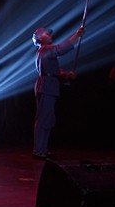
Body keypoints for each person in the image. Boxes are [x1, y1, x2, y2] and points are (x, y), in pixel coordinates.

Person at [31, 25, 84, 160]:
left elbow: (54, 71)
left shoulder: (45, 51)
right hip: (46, 86)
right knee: (43, 119)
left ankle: (42, 149)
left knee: (48, 119)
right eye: (46, 34)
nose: (50, 35)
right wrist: (76, 35)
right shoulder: (45, 50)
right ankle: (38, 150)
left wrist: (66, 75)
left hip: (49, 86)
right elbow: (60, 49)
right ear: (40, 38)